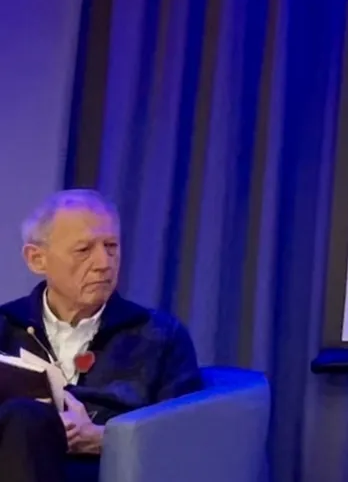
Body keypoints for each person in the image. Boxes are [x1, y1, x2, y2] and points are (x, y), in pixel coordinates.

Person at [0, 190, 201, 482]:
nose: (104, 263)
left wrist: (101, 438)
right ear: (37, 259)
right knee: (23, 417)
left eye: (111, 246)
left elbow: (186, 438)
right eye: (83, 250)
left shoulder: (159, 335)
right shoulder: (6, 325)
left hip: (102, 472)